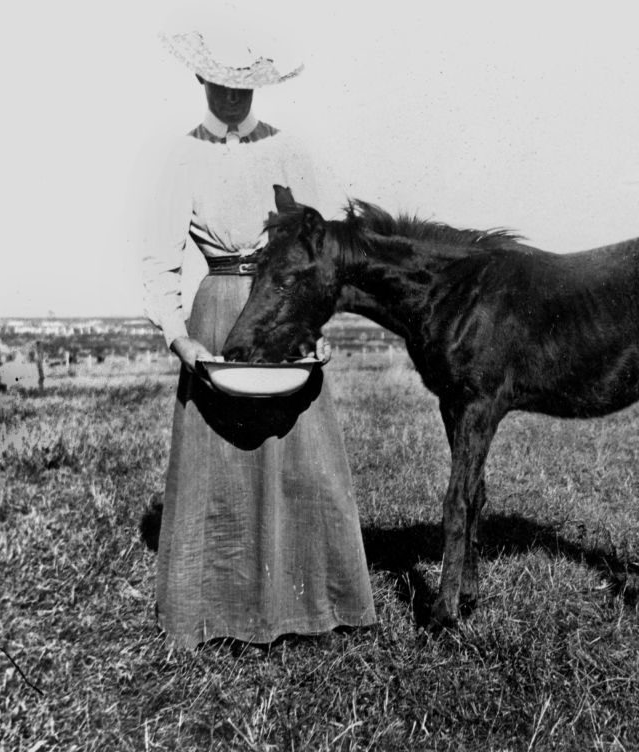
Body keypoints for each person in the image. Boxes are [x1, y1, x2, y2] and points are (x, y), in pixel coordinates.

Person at [141, 28, 376, 649]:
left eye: (243, 85)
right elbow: (158, 263)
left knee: (304, 456)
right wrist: (179, 339)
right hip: (218, 311)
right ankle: (217, 612)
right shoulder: (182, 156)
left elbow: (327, 248)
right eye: (220, 83)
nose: (231, 97)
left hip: (284, 309)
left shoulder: (288, 151)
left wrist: (314, 327)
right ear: (202, 81)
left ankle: (315, 606)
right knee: (218, 465)